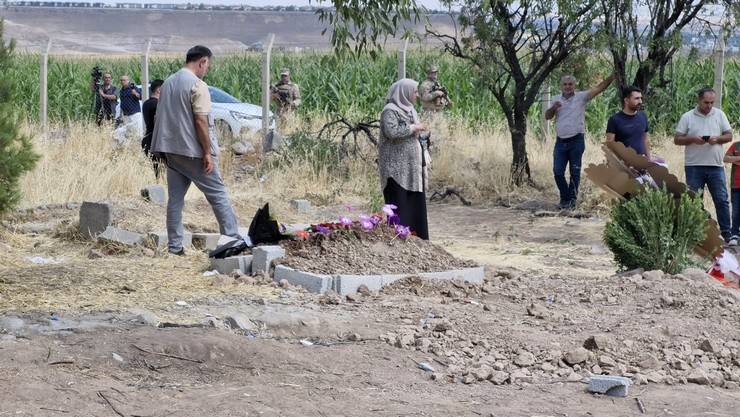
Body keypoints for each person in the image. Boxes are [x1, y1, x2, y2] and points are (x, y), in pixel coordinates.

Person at [150, 45, 243, 255]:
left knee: (175, 199)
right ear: (202, 61)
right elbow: (201, 121)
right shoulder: (197, 85)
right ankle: (233, 241)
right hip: (192, 151)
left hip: (170, 151)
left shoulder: (168, 83)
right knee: (218, 194)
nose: (206, 70)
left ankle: (175, 247)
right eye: (207, 66)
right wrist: (207, 153)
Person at [545, 73, 615, 209]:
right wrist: (554, 108)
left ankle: (571, 201)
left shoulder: (581, 97)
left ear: (574, 85)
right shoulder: (555, 99)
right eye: (565, 84)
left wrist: (613, 77)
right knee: (558, 171)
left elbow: (599, 88)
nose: (567, 87)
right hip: (560, 142)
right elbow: (547, 116)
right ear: (561, 86)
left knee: (575, 171)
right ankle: (565, 198)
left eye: (570, 84)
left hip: (576, 140)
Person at [676, 87, 733, 242]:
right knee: (695, 201)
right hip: (694, 165)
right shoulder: (687, 117)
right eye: (706, 102)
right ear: (698, 100)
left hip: (716, 165)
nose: (709, 106)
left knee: (721, 199)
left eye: (712, 102)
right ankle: (698, 234)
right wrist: (693, 139)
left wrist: (717, 139)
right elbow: (677, 139)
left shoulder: (720, 115)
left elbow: (729, 135)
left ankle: (726, 233)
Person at [378, 78, 430, 240]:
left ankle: (417, 236)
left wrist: (423, 133)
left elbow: (412, 132)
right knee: (400, 200)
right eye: (415, 92)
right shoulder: (390, 110)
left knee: (414, 201)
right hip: (396, 169)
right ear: (404, 92)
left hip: (412, 168)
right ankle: (399, 236)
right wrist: (413, 127)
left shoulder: (410, 109)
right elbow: (392, 132)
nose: (417, 95)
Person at [606, 86, 650, 158]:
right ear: (626, 100)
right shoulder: (614, 120)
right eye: (636, 98)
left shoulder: (643, 116)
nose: (640, 101)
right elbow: (610, 146)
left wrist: (649, 160)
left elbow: (646, 140)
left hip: (642, 163)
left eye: (641, 98)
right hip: (623, 165)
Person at [142, 79, 164, 178]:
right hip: (156, 141)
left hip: (148, 139)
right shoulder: (157, 105)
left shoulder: (146, 103)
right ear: (159, 90)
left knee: (157, 172)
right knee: (162, 172)